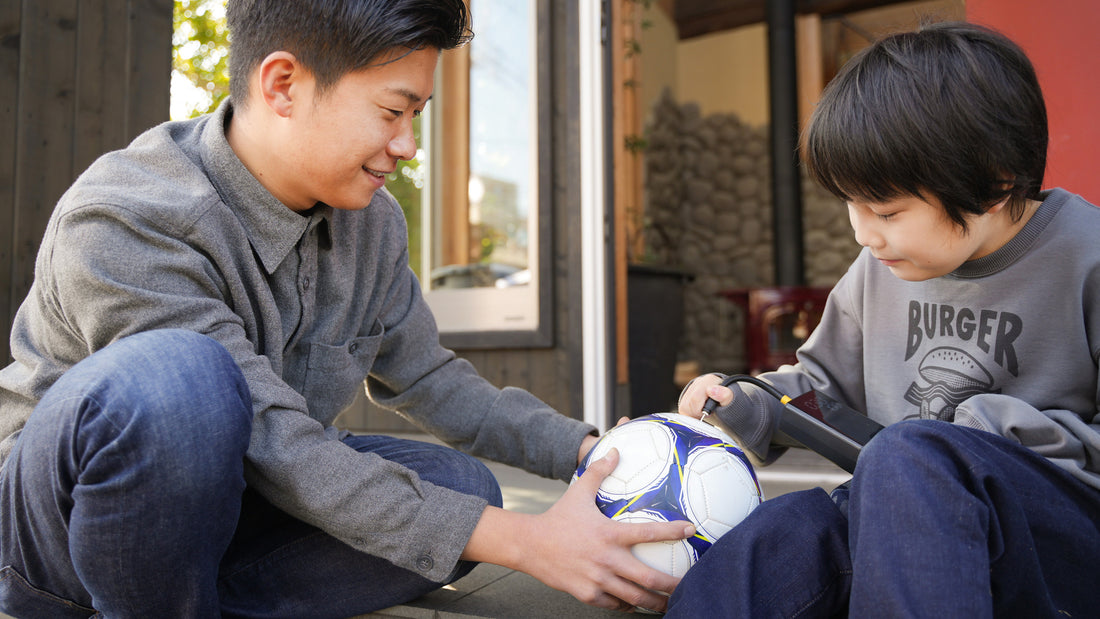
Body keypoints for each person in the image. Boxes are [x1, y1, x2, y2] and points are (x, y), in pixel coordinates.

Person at [0, 1, 693, 616]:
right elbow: (278, 440)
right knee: (181, 379)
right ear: (283, 84)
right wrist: (531, 543)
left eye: (418, 117)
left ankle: (181, 598)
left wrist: (591, 450)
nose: (408, 147)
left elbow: (433, 379)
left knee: (461, 487)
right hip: (58, 538)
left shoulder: (374, 224)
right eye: (392, 112)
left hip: (228, 508)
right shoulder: (128, 217)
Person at [671, 21, 1100, 618]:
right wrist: (750, 401)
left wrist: (989, 433)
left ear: (996, 184)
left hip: (1057, 544)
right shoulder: (879, 268)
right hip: (909, 519)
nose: (863, 233)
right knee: (785, 532)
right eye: (850, 204)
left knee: (909, 458)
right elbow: (820, 390)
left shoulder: (1089, 257)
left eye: (885, 210)